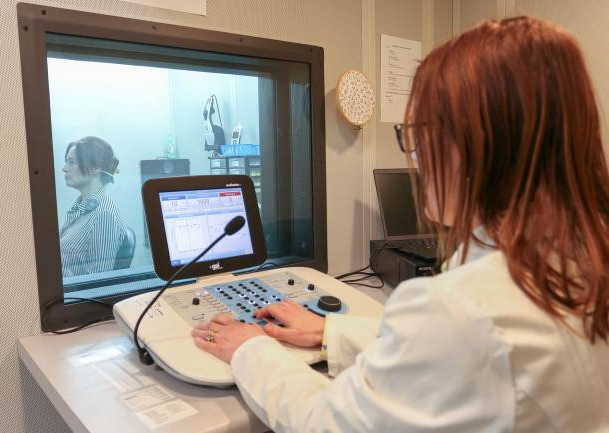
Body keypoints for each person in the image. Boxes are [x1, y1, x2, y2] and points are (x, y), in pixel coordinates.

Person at [192, 17, 609, 432]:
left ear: (477, 143)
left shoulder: (461, 308)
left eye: (418, 134)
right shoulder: (583, 260)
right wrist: (330, 332)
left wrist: (251, 350)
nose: (415, 157)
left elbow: (328, 422)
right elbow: (449, 358)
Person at [59, 136, 126, 277]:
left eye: (71, 162)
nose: (64, 169)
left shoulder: (104, 215)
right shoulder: (80, 209)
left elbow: (97, 281)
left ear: (95, 168)